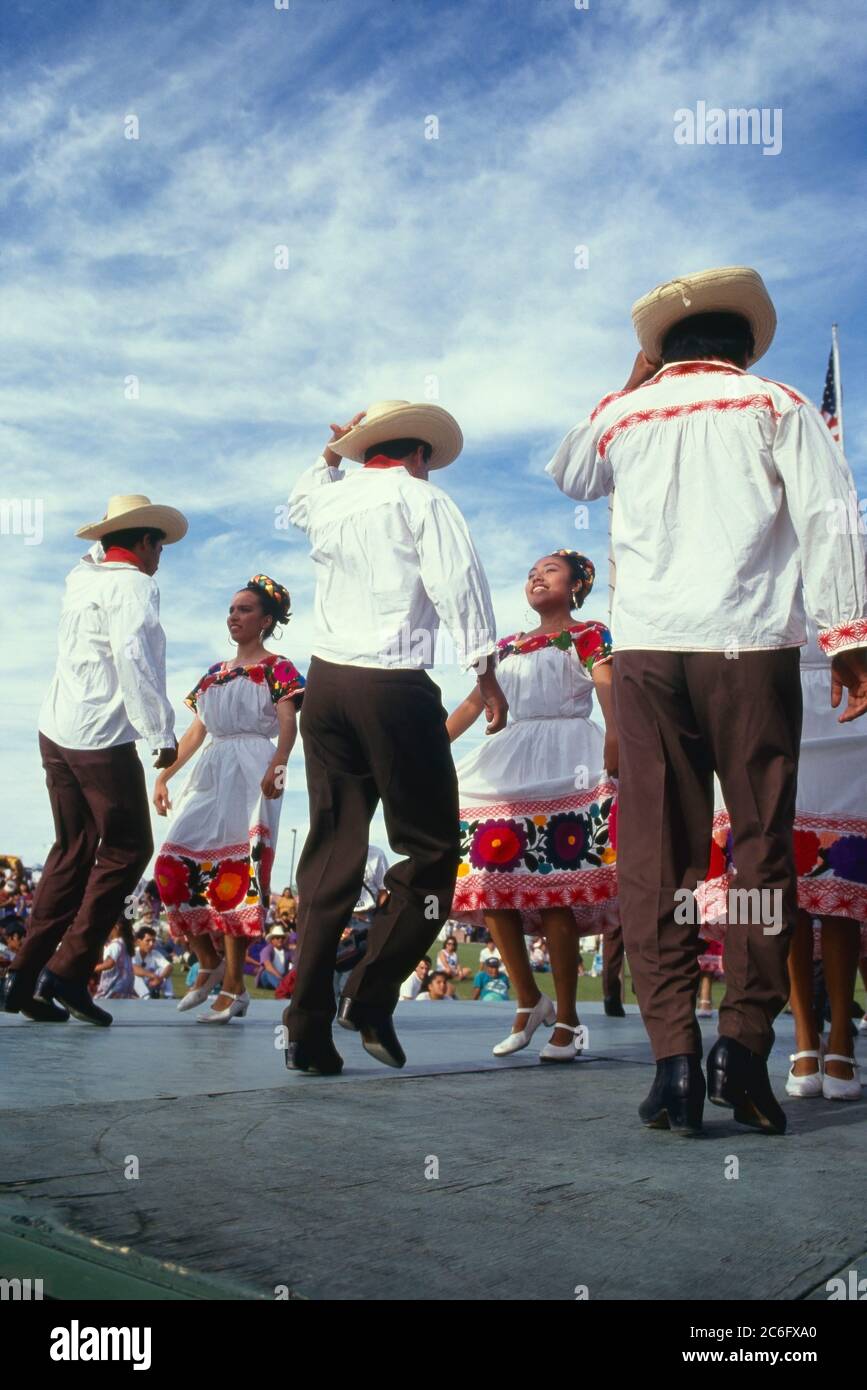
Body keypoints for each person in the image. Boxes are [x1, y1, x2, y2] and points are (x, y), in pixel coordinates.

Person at [548, 265, 867, 1135]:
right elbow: (831, 517)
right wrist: (845, 636)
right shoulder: (777, 404)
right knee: (760, 845)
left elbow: (569, 472)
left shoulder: (624, 415)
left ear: (660, 352)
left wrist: (629, 381)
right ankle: (745, 1043)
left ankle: (672, 1062)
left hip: (648, 650)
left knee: (660, 851)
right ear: (742, 345)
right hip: (750, 646)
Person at [282, 401, 507, 1076]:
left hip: (324, 687)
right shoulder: (420, 500)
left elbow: (299, 501)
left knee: (329, 858)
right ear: (419, 456)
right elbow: (458, 583)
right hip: (391, 686)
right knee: (432, 852)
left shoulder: (333, 503)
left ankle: (305, 1030)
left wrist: (328, 458)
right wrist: (484, 670)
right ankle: (371, 993)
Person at [5, 494, 186, 1026]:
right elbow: (137, 660)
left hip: (54, 730)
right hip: (98, 739)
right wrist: (161, 732)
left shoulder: (80, 578)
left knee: (71, 849)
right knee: (129, 848)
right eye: (160, 546)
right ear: (146, 542)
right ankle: (66, 970)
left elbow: (95, 565)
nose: (161, 557)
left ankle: (22, 977)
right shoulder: (135, 586)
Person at [447, 550, 618, 1064]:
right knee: (484, 877)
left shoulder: (590, 633)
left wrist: (617, 739)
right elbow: (476, 703)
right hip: (511, 761)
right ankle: (528, 998)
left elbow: (607, 685)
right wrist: (430, 749)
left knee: (555, 890)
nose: (536, 576)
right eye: (530, 572)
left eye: (550, 570)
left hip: (569, 757)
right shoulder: (504, 647)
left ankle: (567, 1015)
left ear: (577, 585)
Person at [702, 623, 865, 1101]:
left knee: (841, 873)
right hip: (773, 697)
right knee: (784, 877)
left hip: (847, 706)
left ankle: (838, 1036)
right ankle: (804, 1038)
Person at [153, 576, 304, 1023]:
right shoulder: (214, 674)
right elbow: (197, 732)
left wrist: (279, 763)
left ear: (266, 620)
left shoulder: (278, 668)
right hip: (211, 770)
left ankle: (236, 986)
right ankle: (208, 961)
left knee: (237, 874)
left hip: (253, 766)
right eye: (232, 609)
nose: (233, 616)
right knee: (170, 866)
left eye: (244, 609)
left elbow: (288, 721)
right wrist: (164, 776)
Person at [93, 920, 136, 1000]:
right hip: (124, 986)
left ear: (116, 927)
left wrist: (91, 969)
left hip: (112, 986)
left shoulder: (115, 945)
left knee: (99, 1002)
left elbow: (109, 963)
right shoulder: (125, 944)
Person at [132, 926, 173, 1000]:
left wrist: (161, 978)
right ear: (138, 942)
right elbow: (134, 969)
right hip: (133, 987)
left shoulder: (155, 953)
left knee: (164, 971)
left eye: (153, 941)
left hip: (151, 982)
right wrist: (153, 976)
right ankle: (146, 997)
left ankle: (169, 997)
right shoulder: (133, 953)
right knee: (134, 976)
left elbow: (169, 966)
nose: (151, 944)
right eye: (148, 940)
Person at [258, 925, 291, 990]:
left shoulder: (288, 951)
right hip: (268, 979)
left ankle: (284, 987)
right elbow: (268, 967)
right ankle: (282, 988)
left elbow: (296, 961)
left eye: (282, 937)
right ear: (272, 940)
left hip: (282, 978)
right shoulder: (266, 950)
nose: (280, 939)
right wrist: (280, 977)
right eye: (277, 938)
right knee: (266, 972)